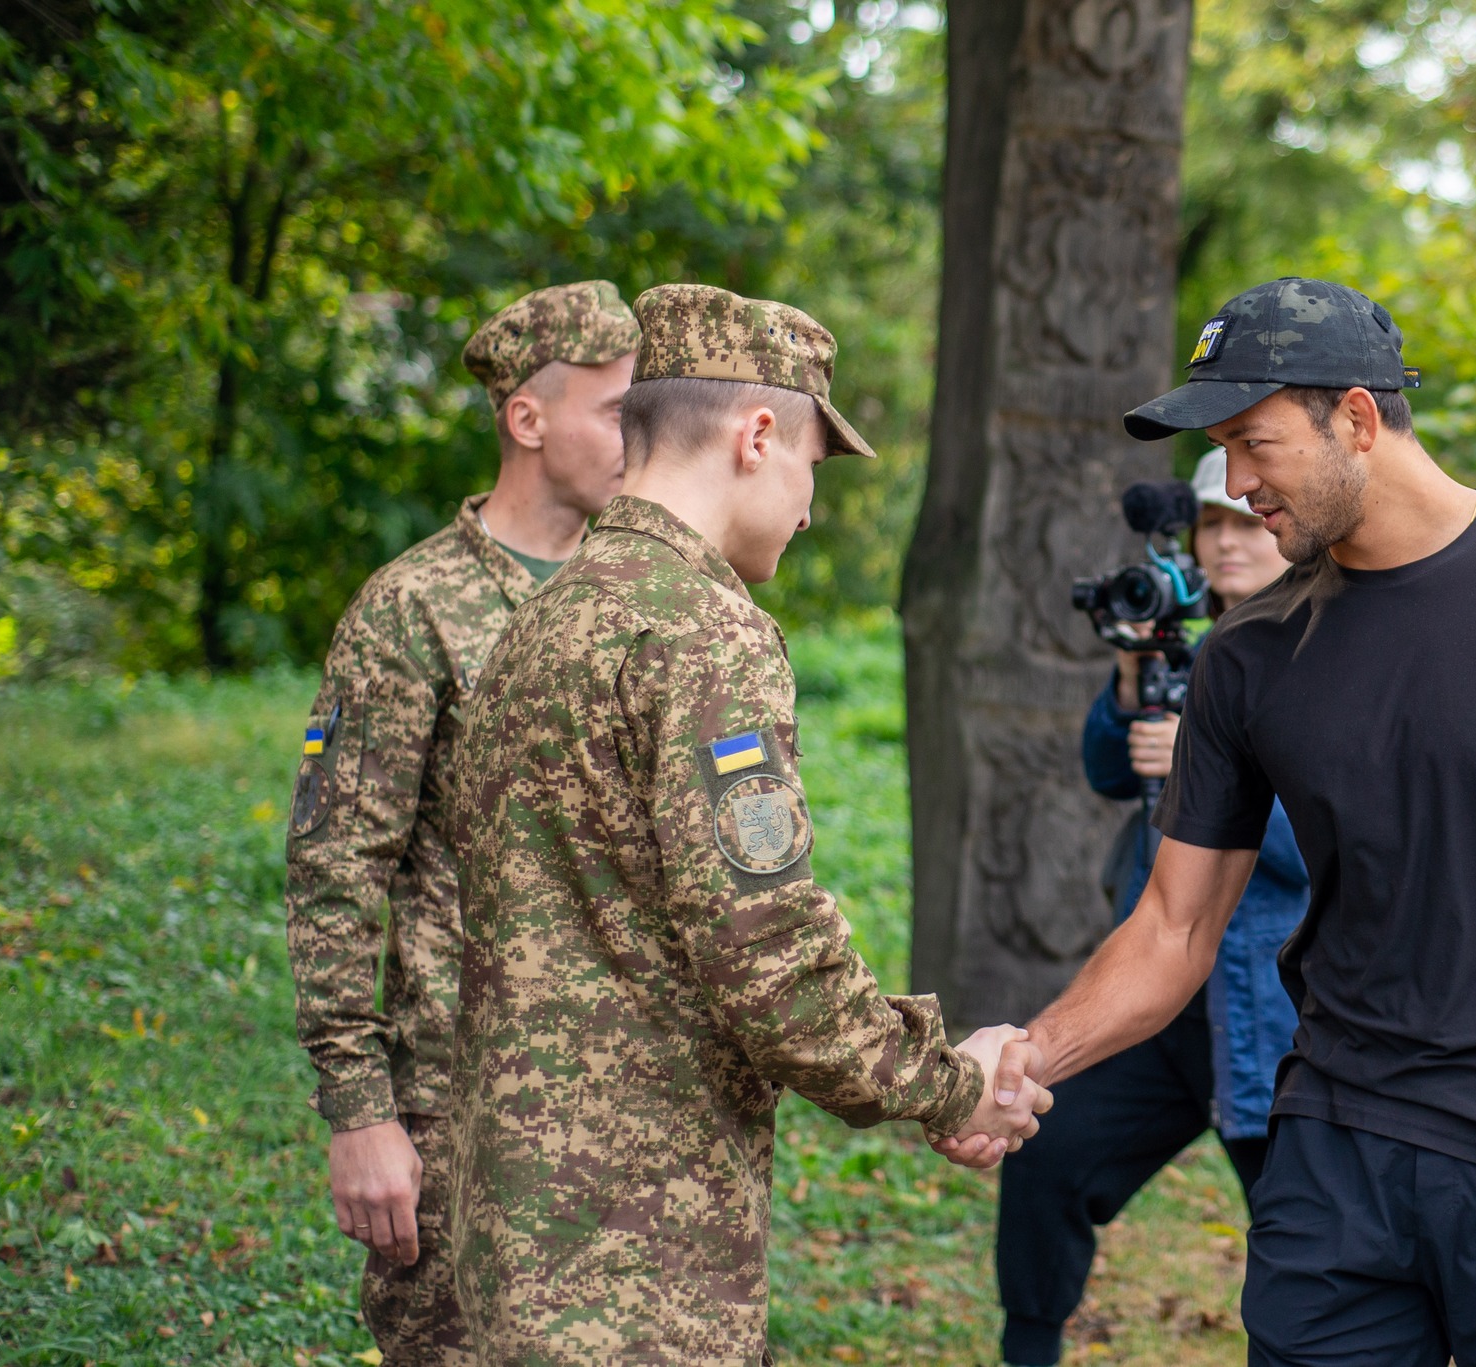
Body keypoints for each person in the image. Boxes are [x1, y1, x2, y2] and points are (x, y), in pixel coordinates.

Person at [972, 277, 1476, 1366]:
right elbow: (1172, 926)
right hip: (1336, 1151)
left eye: (1254, 444)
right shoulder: (1248, 656)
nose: (1238, 483)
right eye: (1222, 450)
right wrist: (1030, 1054)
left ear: (1355, 417)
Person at [443, 282, 1051, 1366]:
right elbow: (768, 955)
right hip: (639, 1254)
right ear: (757, 434)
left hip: (518, 1230)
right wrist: (952, 1080)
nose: (810, 503)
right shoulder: (700, 630)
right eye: (814, 463)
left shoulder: (544, 616)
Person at [284, 280, 641, 1365]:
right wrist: (360, 1110)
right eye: (617, 410)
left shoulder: (648, 596)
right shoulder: (413, 608)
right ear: (525, 420)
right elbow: (336, 864)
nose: (641, 439)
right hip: (463, 1113)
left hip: (631, 1109)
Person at [994, 448, 1307, 1367]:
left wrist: (1213, 777)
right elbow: (1106, 768)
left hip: (1281, 1013)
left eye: (1245, 520)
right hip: (1159, 1002)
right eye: (1211, 522)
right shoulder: (1182, 639)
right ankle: (1029, 1348)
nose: (1226, 540)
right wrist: (1134, 683)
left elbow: (1335, 840)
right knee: (1047, 1153)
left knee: (1308, 1246)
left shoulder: (1329, 652)